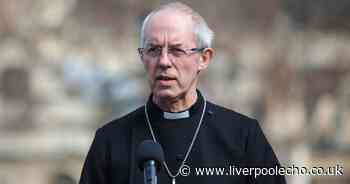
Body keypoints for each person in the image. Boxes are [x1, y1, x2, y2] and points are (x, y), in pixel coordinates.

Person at [79, 2, 286, 184]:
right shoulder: (110, 142)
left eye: (177, 51)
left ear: (204, 58)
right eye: (153, 50)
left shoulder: (243, 137)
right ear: (142, 57)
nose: (164, 62)